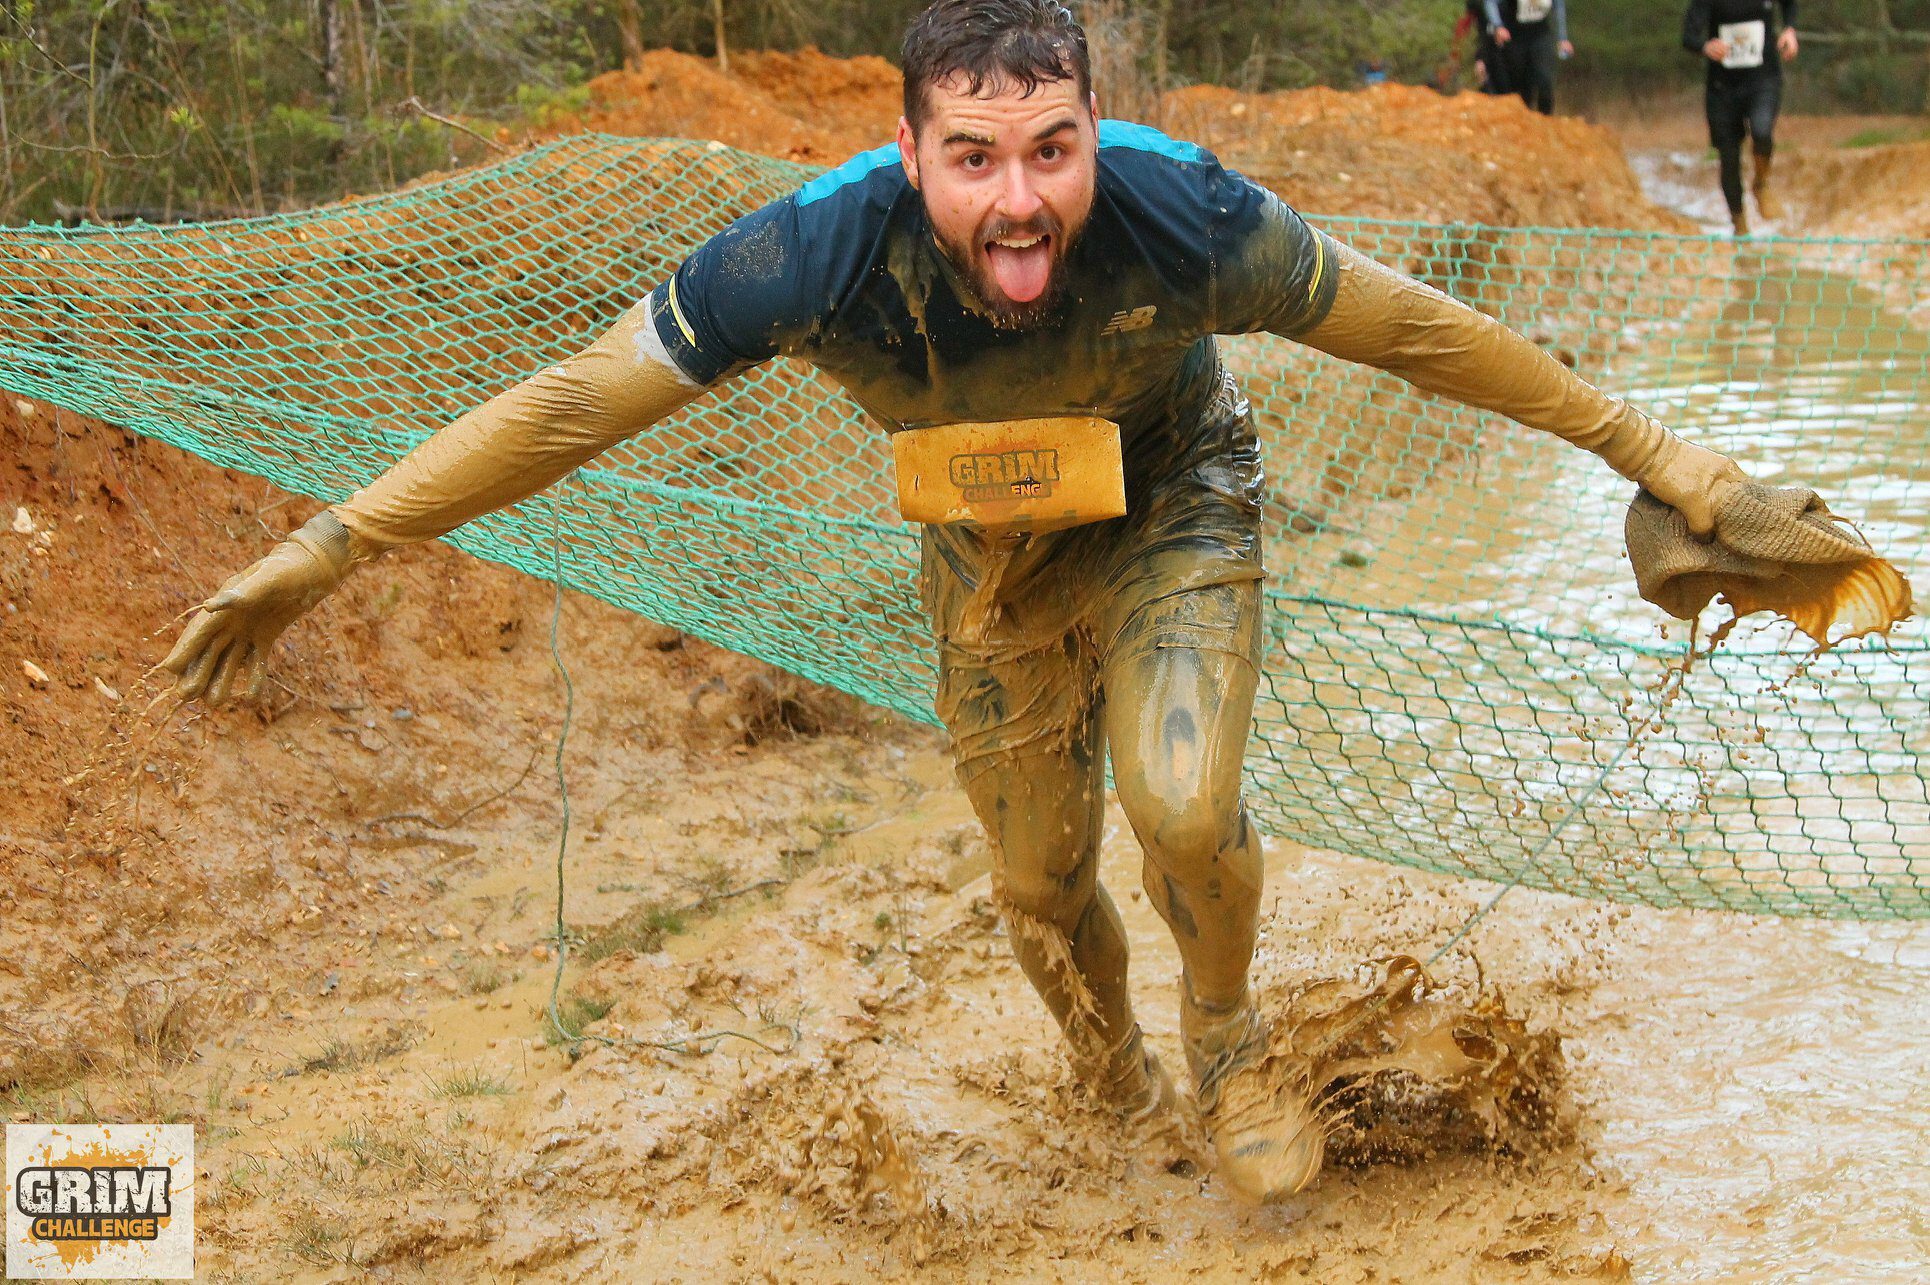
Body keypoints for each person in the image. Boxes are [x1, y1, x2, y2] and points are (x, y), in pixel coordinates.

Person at [160, 0, 1751, 1204]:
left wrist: (1656, 454)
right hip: (987, 546)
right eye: (973, 158)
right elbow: (573, 406)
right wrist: (331, 547)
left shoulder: (1183, 212)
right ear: (908, 148)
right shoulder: (801, 258)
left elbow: (1416, 333)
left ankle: (1224, 1043)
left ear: (1092, 136)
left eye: (1050, 152)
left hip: (1175, 494)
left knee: (1179, 804)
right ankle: (1104, 1059)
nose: (1016, 201)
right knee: (1038, 887)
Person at [1684, 0, 1799, 236]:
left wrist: (1789, 30)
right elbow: (1688, 36)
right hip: (1722, 88)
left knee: (1762, 130)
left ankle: (1761, 183)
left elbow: (1789, 4)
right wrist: (1705, 47)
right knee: (1729, 158)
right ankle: (1740, 226)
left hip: (1763, 79)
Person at [1487, 0, 1574, 114]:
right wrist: (1498, 25)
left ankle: (1546, 120)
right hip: (1514, 36)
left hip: (1540, 34)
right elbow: (1490, 2)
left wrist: (1563, 38)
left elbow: (1559, 6)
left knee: (1545, 80)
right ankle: (1523, 121)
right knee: (1521, 86)